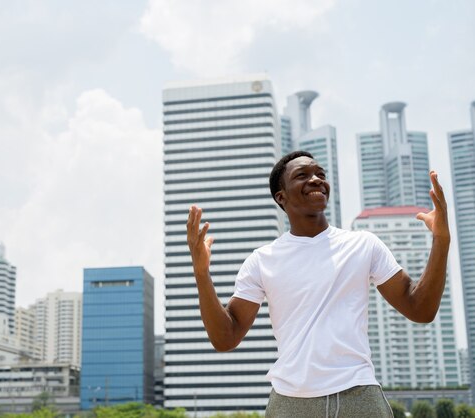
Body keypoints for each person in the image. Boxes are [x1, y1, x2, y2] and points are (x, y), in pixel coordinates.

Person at [186, 150, 450, 418]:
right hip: (291, 403)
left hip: (359, 396)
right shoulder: (261, 261)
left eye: (320, 174)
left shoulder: (363, 244)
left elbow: (420, 309)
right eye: (302, 175)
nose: (316, 180)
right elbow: (225, 338)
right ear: (281, 196)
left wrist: (441, 239)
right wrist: (201, 274)